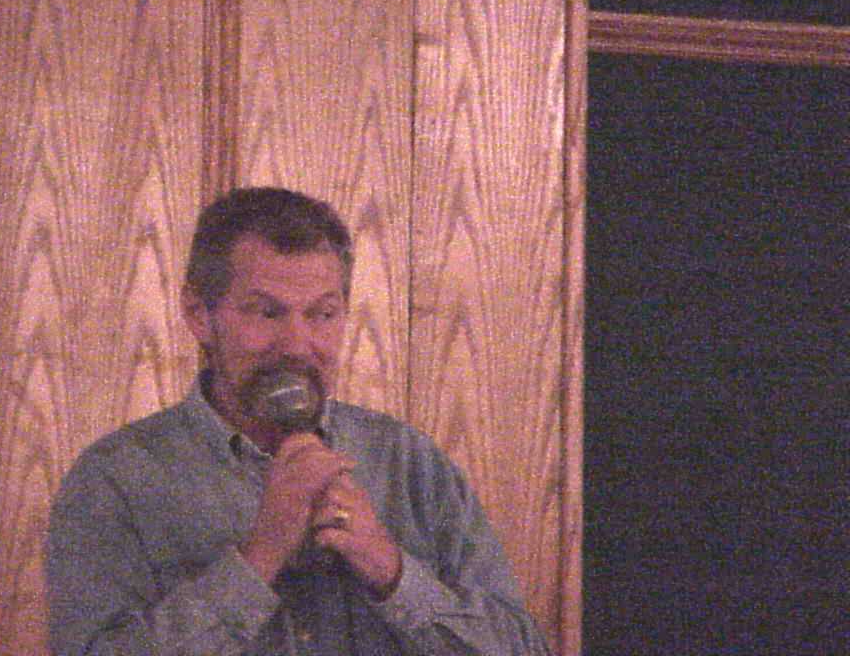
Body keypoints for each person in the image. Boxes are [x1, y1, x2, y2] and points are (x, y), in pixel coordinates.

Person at [46, 186, 553, 656]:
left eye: (322, 314)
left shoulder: (410, 463)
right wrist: (257, 559)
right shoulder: (115, 480)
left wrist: (390, 568)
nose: (297, 344)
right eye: (266, 313)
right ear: (199, 314)